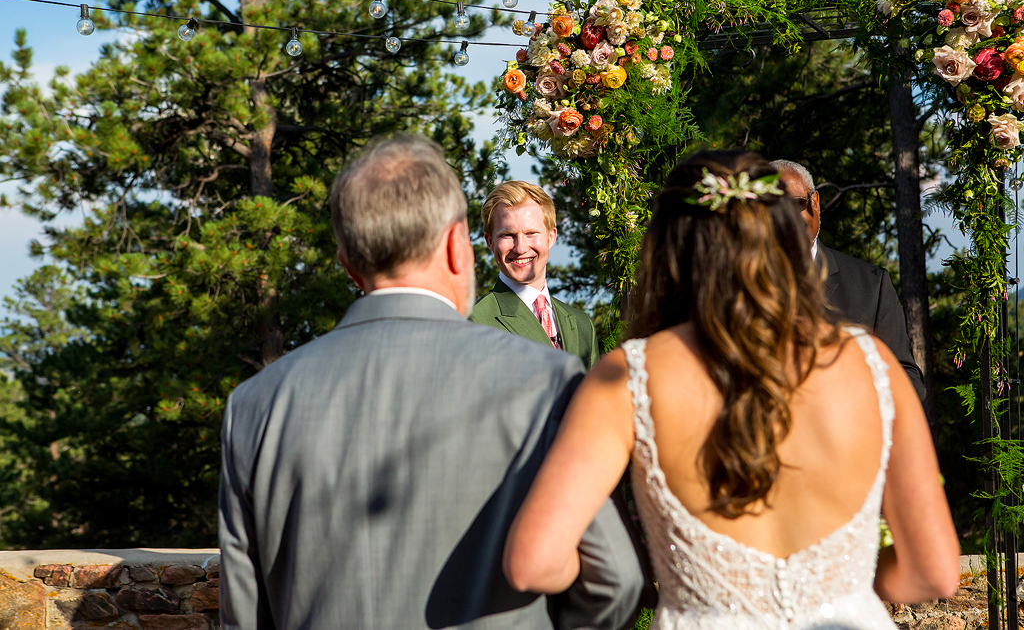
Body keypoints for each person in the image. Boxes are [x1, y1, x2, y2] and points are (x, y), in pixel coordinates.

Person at [504, 151, 959, 630]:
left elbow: (533, 561)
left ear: (669, 250)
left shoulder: (629, 378)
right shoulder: (872, 364)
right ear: (778, 236)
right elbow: (934, 572)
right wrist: (836, 591)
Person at [218, 134, 647, 630]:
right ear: (457, 245)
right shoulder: (544, 381)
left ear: (348, 265)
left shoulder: (253, 406)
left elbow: (243, 616)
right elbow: (614, 578)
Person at [770, 159, 927, 402]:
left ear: (816, 203)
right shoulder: (735, 284)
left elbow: (907, 380)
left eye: (795, 204)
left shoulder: (871, 286)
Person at [471, 181, 598, 369]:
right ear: (490, 241)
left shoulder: (582, 325)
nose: (520, 248)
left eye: (531, 233)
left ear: (551, 237)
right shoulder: (475, 321)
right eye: (508, 235)